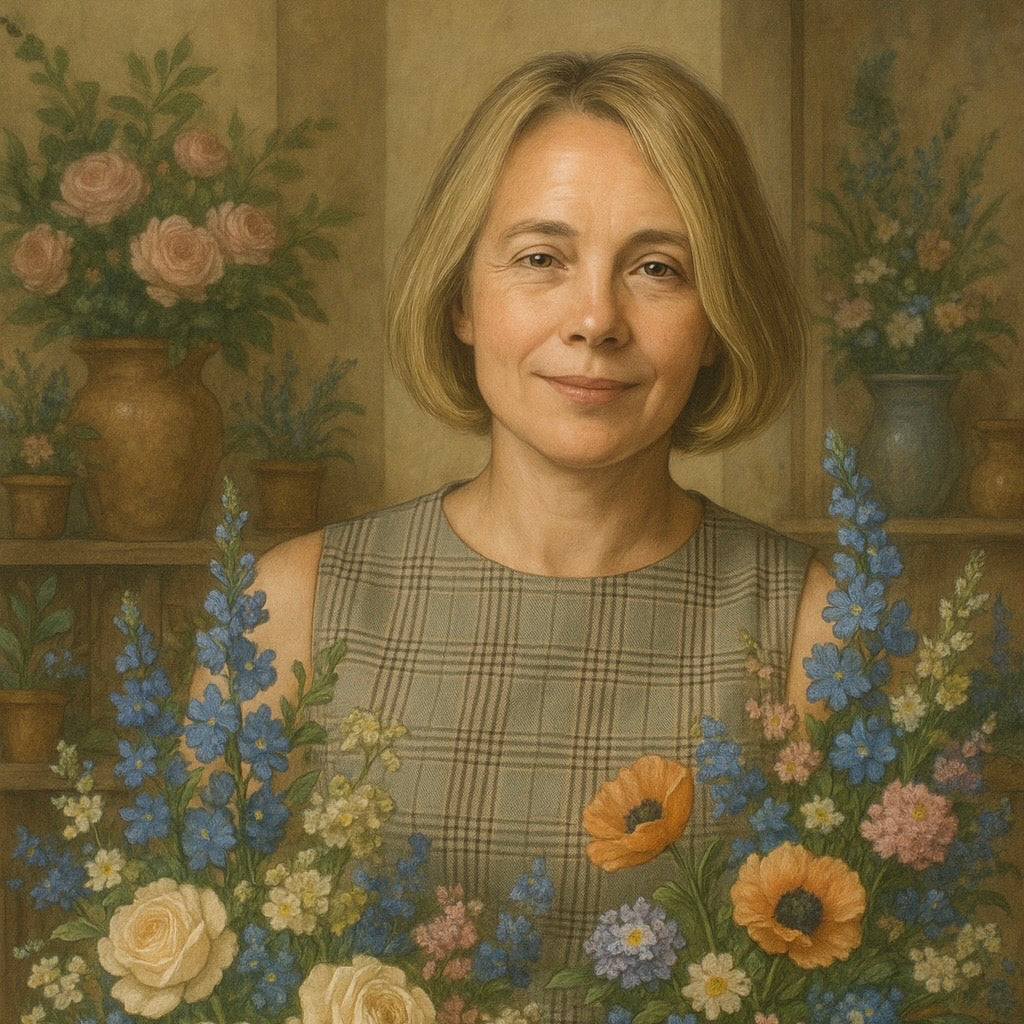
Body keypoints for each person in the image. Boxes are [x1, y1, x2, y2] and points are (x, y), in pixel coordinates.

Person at [247, 49, 833, 1017]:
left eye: (656, 267)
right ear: (460, 301)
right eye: (540, 259)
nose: (595, 318)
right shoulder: (291, 607)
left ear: (718, 316)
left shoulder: (815, 629)